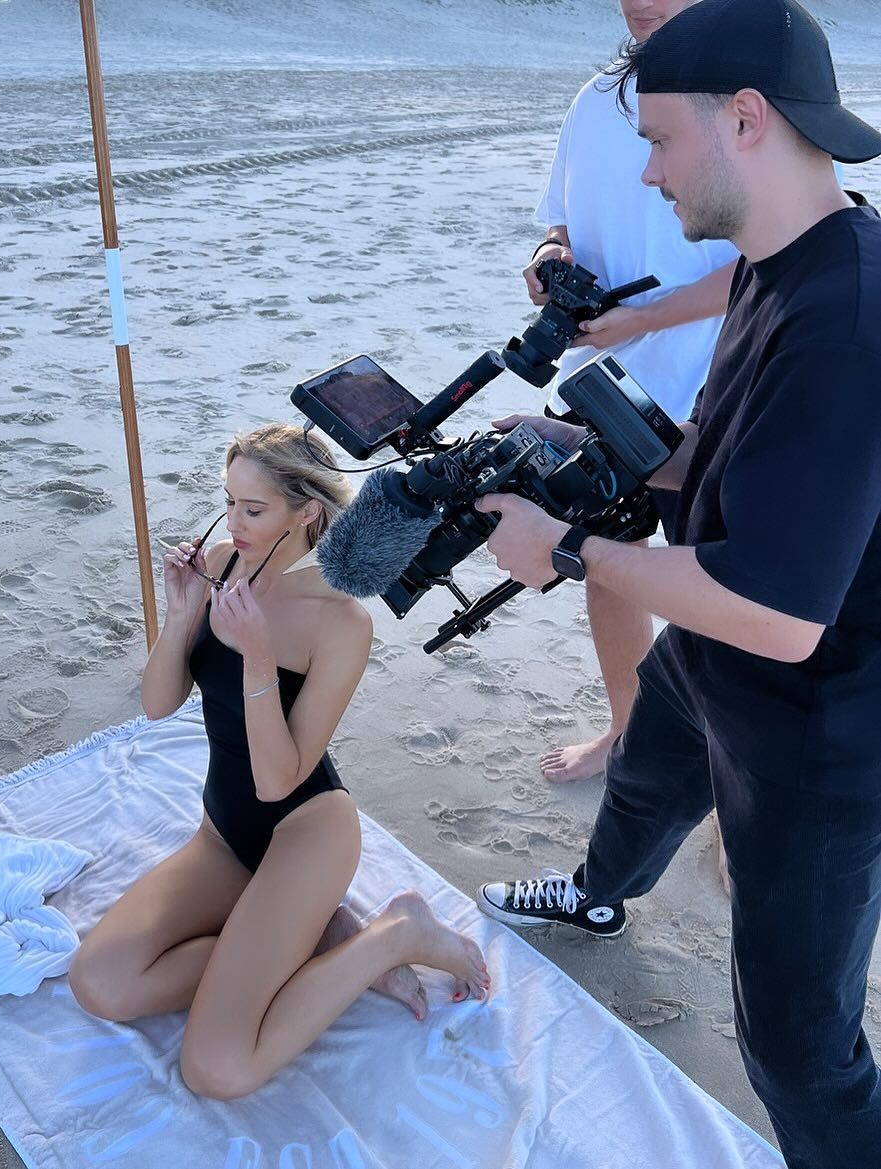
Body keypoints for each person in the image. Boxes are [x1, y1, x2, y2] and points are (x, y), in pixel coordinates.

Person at [473, 3, 881, 1166]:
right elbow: (724, 455)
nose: (645, 173)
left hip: (818, 728)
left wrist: (567, 552)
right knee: (645, 776)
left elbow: (778, 614)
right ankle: (598, 891)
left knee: (794, 1044)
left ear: (743, 119)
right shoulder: (782, 257)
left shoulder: (846, 322)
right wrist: (575, 449)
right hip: (710, 655)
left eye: (656, 140)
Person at [69, 422, 489, 1100]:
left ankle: (393, 933)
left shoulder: (341, 622)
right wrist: (182, 613)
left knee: (218, 1069)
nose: (233, 523)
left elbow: (278, 779)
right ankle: (310, 935)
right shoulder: (227, 563)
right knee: (100, 983)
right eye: (229, 502)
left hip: (303, 834)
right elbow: (157, 704)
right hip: (224, 833)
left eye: (253, 509)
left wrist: (258, 655)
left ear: (306, 512)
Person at [524, 0, 738, 783]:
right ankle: (626, 728)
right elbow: (561, 224)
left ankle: (730, 779)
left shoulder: (751, 97)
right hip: (602, 387)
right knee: (608, 566)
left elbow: (785, 258)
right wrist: (548, 259)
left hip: (716, 389)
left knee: (719, 601)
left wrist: (646, 317)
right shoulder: (594, 100)